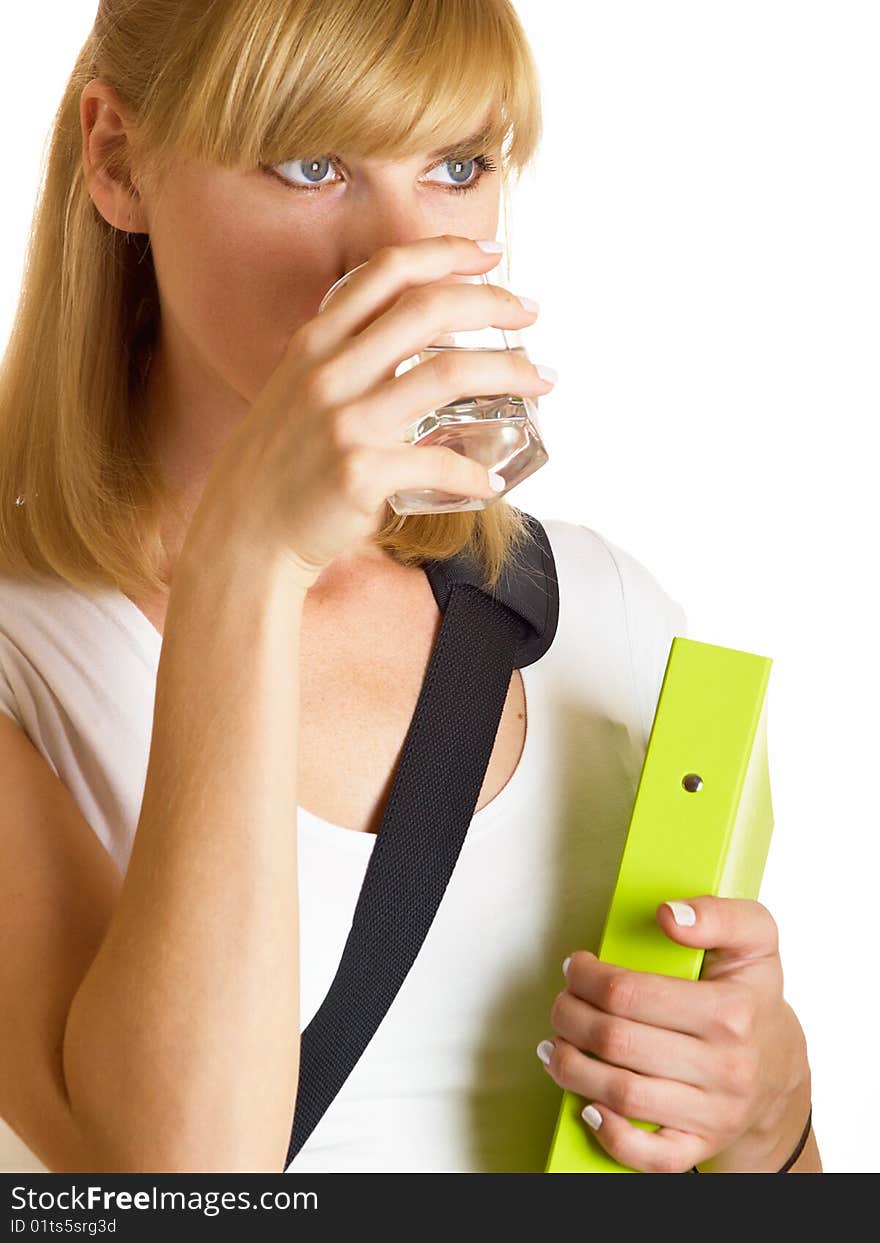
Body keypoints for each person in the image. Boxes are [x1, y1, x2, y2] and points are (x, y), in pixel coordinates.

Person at [0, 0, 819, 1174]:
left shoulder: (600, 618)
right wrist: (250, 559)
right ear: (117, 162)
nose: (396, 258)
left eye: (456, 165)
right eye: (311, 163)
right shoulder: (23, 658)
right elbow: (186, 1186)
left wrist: (767, 1126)